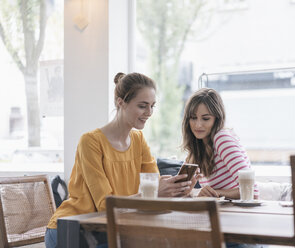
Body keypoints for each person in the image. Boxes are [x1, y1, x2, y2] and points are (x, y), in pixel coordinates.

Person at [45, 72, 192, 248]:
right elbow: (104, 205)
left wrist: (178, 189)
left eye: (152, 106)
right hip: (72, 230)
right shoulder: (90, 142)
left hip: (112, 229)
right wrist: (153, 194)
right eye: (142, 106)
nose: (149, 112)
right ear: (120, 102)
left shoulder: (138, 140)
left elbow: (153, 186)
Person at [182, 88, 251, 199]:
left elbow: (251, 191)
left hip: (237, 213)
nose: (198, 125)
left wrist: (215, 193)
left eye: (205, 119)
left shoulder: (221, 138)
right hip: (216, 211)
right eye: (193, 118)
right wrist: (189, 192)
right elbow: (183, 194)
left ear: (217, 119)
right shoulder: (198, 149)